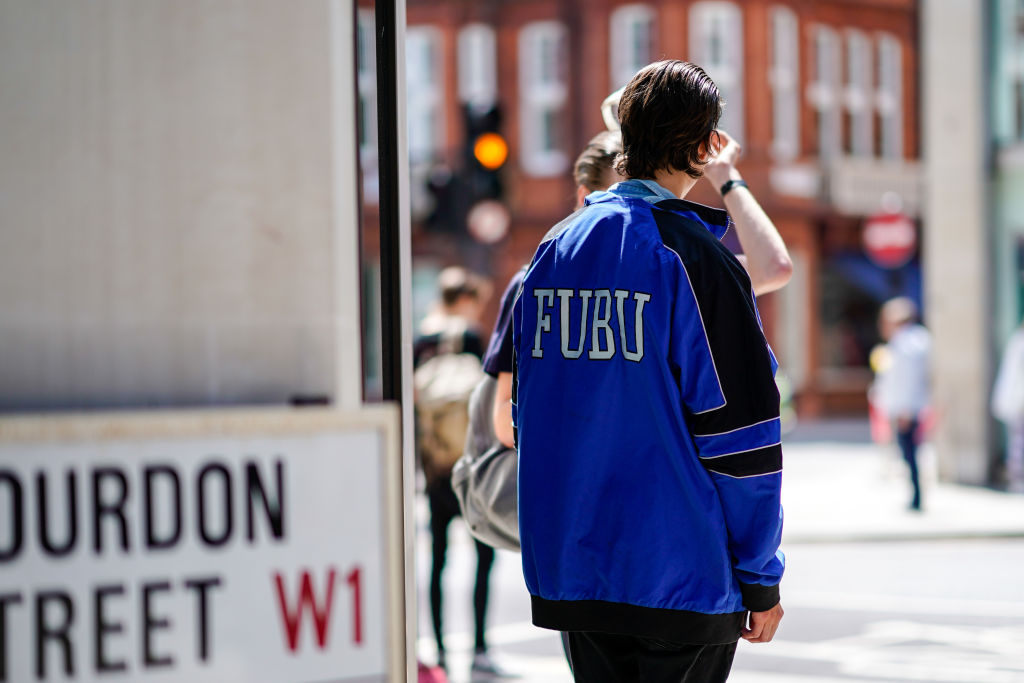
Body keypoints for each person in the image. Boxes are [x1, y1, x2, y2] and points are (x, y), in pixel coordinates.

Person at [513, 60, 785, 682]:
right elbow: (742, 438)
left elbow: (528, 413)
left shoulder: (556, 247)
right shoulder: (695, 261)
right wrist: (761, 576)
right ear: (702, 147)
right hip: (679, 576)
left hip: (575, 571)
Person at [413, 267, 507, 677]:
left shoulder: (421, 339)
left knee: (437, 560)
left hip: (435, 469)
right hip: (469, 469)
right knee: (483, 555)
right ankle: (479, 647)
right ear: (466, 299)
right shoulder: (470, 337)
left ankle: (436, 647)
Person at [873, 297, 932, 511]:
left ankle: (917, 496)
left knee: (911, 453)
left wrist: (906, 409)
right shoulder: (912, 340)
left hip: (908, 409)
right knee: (910, 453)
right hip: (907, 407)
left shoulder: (908, 343)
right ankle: (915, 494)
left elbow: (908, 381)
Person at [993, 320, 1024, 492]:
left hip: (1017, 400)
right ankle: (1017, 478)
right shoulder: (1020, 343)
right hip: (1019, 402)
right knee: (1019, 443)